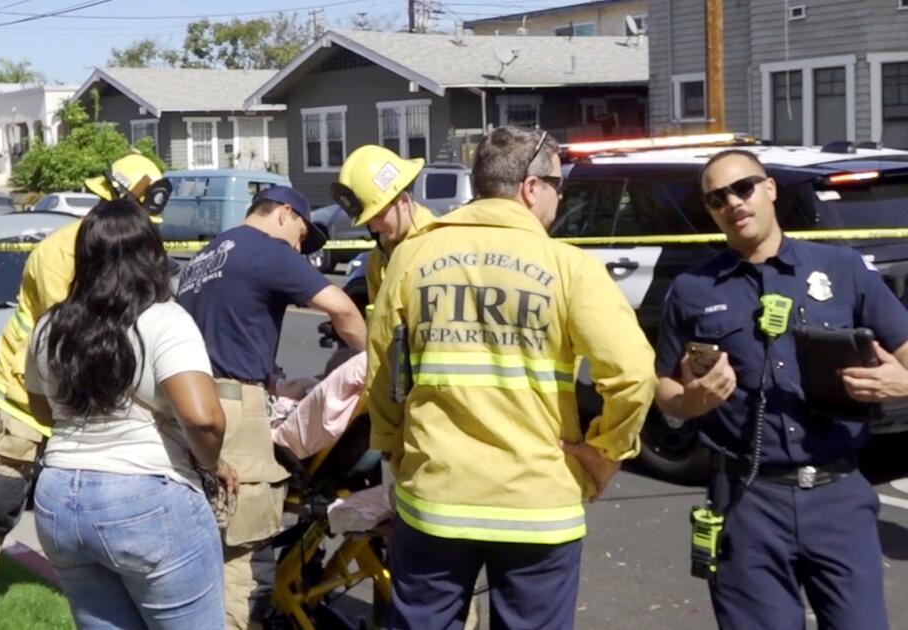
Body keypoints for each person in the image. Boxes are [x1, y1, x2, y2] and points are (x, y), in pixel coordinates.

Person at [366, 125, 656, 629]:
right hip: (537, 507)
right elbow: (633, 376)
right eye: (557, 187)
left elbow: (381, 369)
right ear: (530, 187)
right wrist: (605, 454)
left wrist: (395, 448)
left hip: (436, 497)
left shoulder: (414, 256)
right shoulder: (568, 266)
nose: (559, 201)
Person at [654, 149, 908, 630]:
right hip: (748, 501)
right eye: (717, 198)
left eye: (743, 188)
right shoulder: (693, 288)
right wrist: (692, 401)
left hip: (839, 495)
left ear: (769, 188)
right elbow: (664, 387)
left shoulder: (841, 268)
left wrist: (902, 382)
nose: (733, 202)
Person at [0, 154, 166, 601]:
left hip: (84, 404)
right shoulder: (60, 253)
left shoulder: (128, 252)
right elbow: (78, 340)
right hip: (22, 399)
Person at [24, 197, 236, 629]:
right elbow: (203, 418)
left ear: (84, 257)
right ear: (152, 255)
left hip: (59, 498)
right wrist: (210, 464)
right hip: (146, 498)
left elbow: (41, 407)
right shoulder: (164, 320)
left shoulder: (49, 326)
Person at [176, 185, 367, 629]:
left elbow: (221, 337)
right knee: (241, 559)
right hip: (234, 420)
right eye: (302, 235)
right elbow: (341, 309)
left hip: (191, 408)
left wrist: (277, 385)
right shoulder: (265, 247)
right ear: (284, 214)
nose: (301, 248)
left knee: (205, 549)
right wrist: (374, 362)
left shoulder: (207, 255)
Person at [331, 144, 436, 300]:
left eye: (379, 215)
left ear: (403, 201)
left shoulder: (438, 245)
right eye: (368, 221)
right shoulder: (378, 260)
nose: (374, 226)